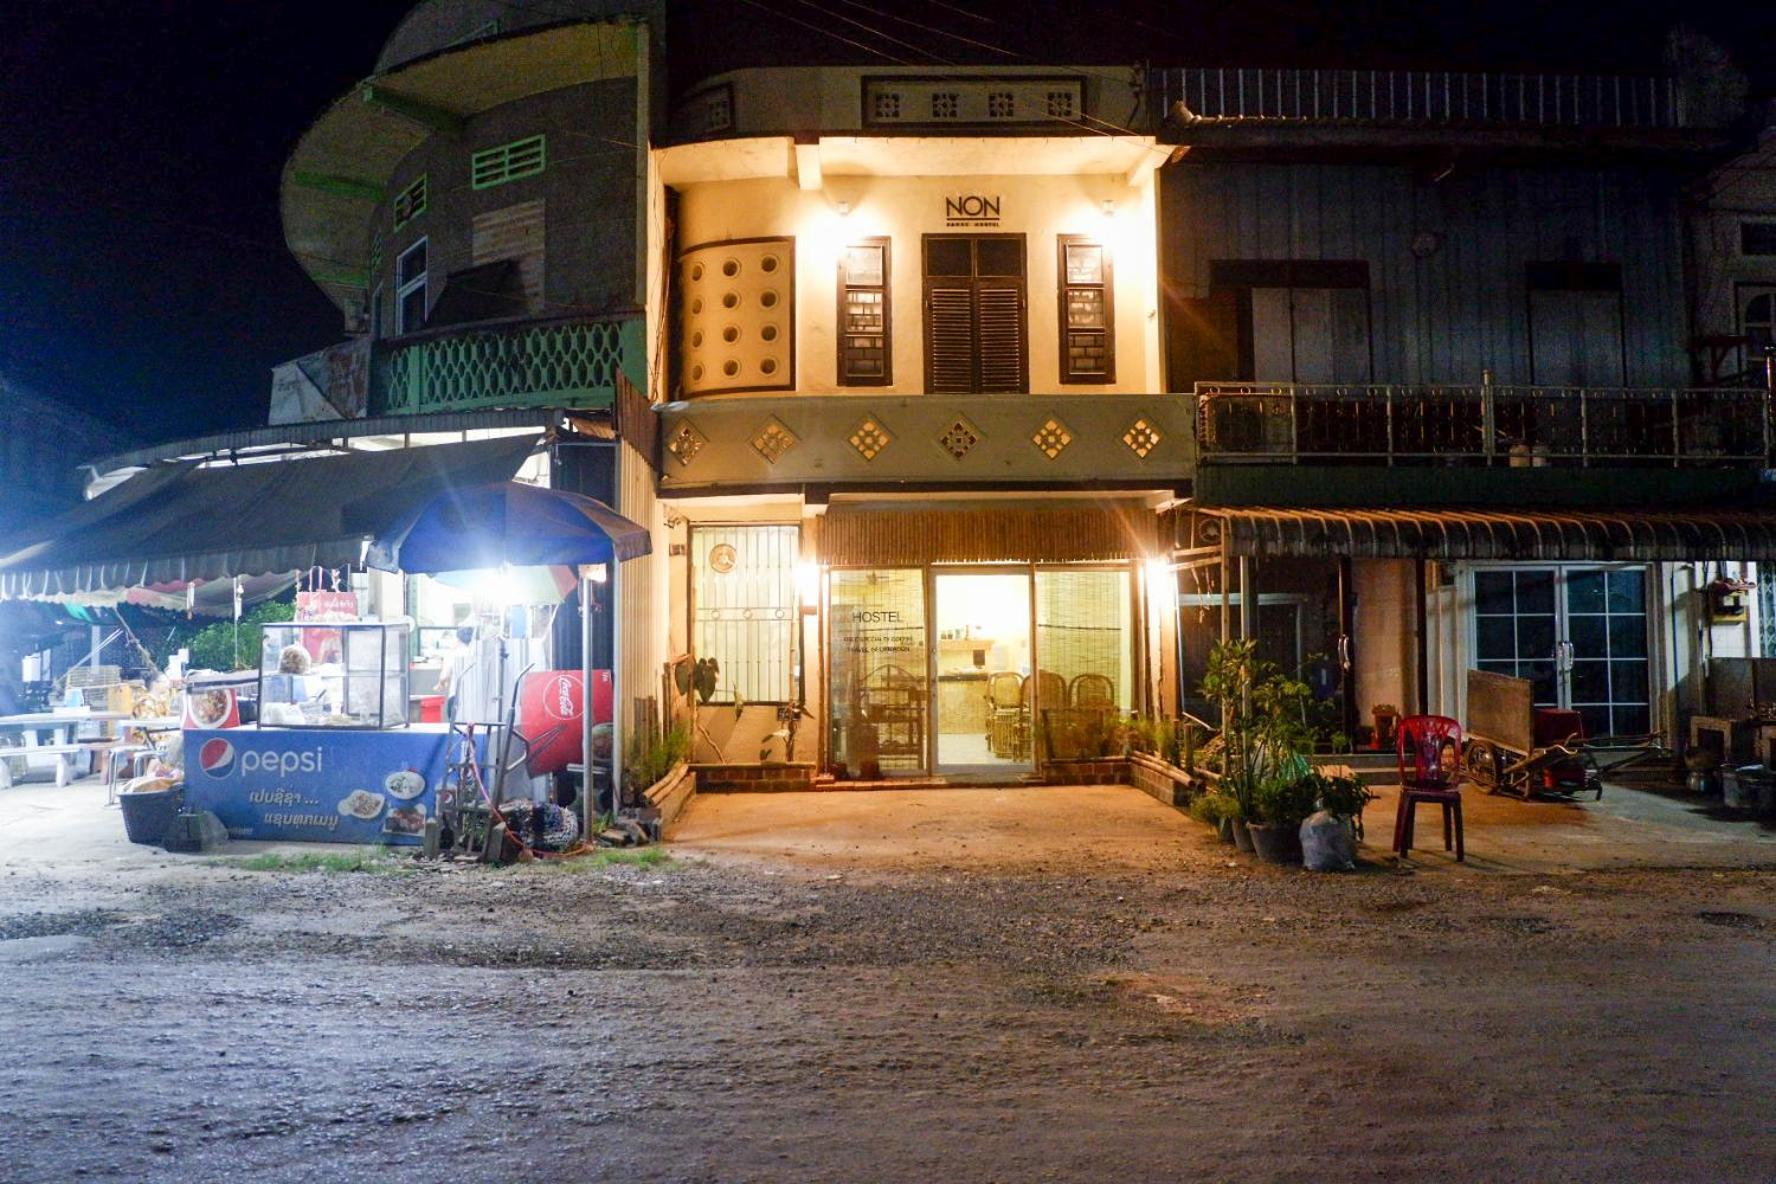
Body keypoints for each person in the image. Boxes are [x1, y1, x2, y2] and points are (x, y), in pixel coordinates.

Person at [435, 626, 477, 723]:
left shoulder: (453, 654)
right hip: (473, 700)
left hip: (456, 698)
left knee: (456, 730)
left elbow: (444, 676)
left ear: (457, 638)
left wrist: (441, 683)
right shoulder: (475, 652)